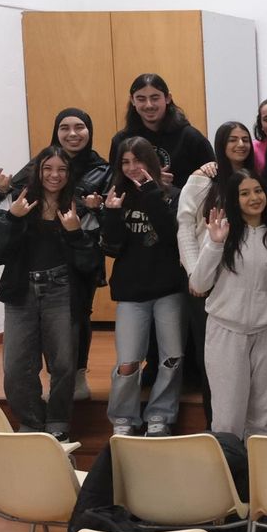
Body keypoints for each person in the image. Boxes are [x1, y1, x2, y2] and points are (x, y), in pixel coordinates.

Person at [0, 108, 112, 402]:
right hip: (41, 257)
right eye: (64, 128)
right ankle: (51, 382)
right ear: (56, 132)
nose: (72, 133)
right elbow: (14, 204)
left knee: (79, 313)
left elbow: (113, 215)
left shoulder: (103, 169)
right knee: (42, 324)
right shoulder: (38, 164)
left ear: (89, 131)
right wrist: (0, 191)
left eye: (79, 127)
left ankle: (76, 374)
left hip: (80, 248)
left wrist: (97, 209)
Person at [0, 146, 99, 438]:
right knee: (16, 366)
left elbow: (91, 264)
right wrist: (13, 217)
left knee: (62, 364)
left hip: (62, 291)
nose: (54, 175)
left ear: (69, 174)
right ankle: (32, 423)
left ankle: (59, 423)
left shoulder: (79, 207)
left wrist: (75, 232)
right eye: (48, 168)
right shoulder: (18, 200)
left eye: (61, 169)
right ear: (38, 171)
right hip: (21, 291)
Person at [189, 169, 267, 438]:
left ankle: (257, 477)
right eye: (244, 193)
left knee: (263, 416)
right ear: (234, 199)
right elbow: (199, 285)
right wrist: (214, 244)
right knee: (228, 418)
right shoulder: (222, 232)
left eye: (257, 191)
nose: (254, 198)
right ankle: (230, 477)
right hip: (226, 331)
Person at [99, 137, 186, 436]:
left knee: (171, 358)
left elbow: (171, 237)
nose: (132, 167)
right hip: (131, 293)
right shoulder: (117, 197)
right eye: (125, 162)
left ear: (151, 162)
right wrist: (110, 214)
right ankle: (123, 418)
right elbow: (111, 248)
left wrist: (151, 192)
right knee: (127, 362)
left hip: (168, 289)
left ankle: (161, 415)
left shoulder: (172, 195)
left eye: (138, 160)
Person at [176, 121, 256, 428]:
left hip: (242, 284)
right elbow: (185, 227)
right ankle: (217, 429)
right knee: (215, 363)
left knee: (245, 363)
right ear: (220, 145)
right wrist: (195, 273)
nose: (239, 144)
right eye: (232, 139)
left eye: (245, 139)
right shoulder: (202, 180)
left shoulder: (253, 180)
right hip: (206, 282)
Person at [108, 73, 214, 188]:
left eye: (155, 98)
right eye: (141, 99)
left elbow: (212, 177)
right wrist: (148, 182)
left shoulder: (190, 137)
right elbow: (116, 183)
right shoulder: (121, 140)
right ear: (132, 100)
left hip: (184, 204)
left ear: (168, 98)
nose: (149, 105)